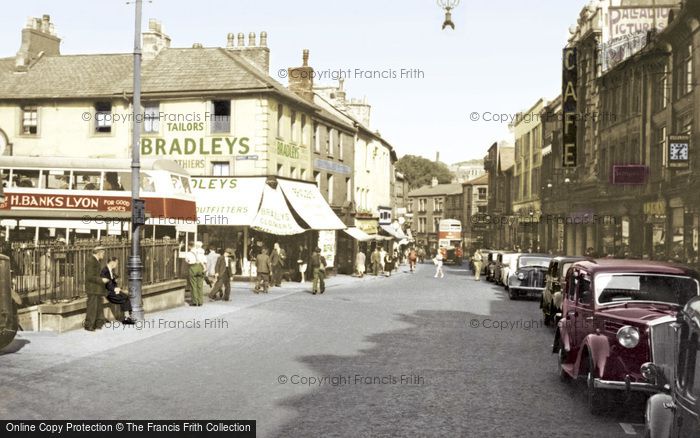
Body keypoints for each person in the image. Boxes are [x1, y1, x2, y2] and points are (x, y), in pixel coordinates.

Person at [100, 257, 136, 323]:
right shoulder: (105, 271)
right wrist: (115, 289)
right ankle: (127, 318)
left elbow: (112, 282)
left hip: (112, 290)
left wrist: (116, 286)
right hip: (108, 292)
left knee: (126, 296)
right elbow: (106, 284)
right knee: (124, 298)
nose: (117, 265)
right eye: (116, 263)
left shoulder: (110, 270)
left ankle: (128, 317)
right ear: (112, 262)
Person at [84, 246, 108, 331]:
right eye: (103, 253)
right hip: (92, 288)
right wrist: (101, 280)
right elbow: (90, 277)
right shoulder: (91, 261)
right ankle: (89, 325)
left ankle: (97, 324)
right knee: (92, 307)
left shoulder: (97, 261)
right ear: (99, 252)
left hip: (96, 288)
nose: (104, 255)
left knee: (98, 306)